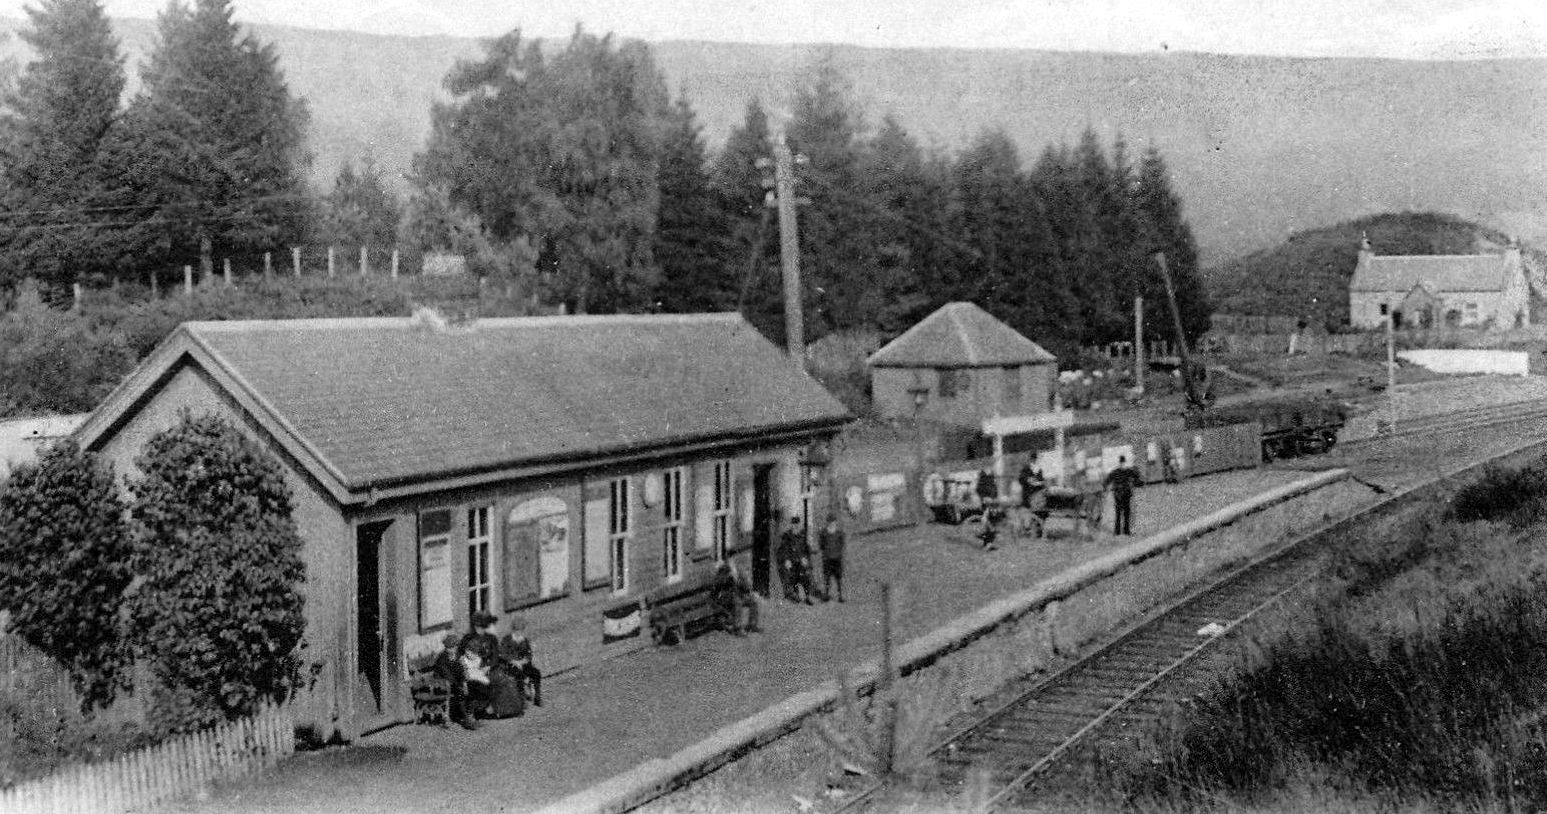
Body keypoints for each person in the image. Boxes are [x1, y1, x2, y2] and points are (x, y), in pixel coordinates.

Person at [431, 632, 478, 730]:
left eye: (454, 647)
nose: (451, 650)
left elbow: (461, 671)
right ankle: (466, 718)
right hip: (442, 684)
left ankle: (469, 715)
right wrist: (460, 685)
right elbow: (447, 675)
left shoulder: (458, 656)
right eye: (449, 648)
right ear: (446, 648)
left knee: (472, 687)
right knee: (460, 692)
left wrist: (464, 682)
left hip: (455, 683)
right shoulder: (442, 659)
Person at [498, 615, 543, 708]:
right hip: (510, 666)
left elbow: (529, 654)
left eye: (521, 630)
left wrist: (523, 661)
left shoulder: (524, 640)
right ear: (514, 630)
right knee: (518, 675)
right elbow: (502, 654)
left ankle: (537, 698)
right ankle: (521, 699)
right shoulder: (507, 640)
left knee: (536, 673)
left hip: (523, 664)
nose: (519, 632)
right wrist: (513, 661)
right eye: (517, 630)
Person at [1104, 455, 1144, 536]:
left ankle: (1117, 532)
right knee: (1126, 513)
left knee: (1118, 513)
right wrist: (1139, 482)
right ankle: (1126, 531)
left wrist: (1105, 488)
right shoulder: (1129, 470)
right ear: (1125, 461)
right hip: (1126, 494)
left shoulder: (1115, 471)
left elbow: (1106, 481)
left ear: (1119, 462)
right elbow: (1138, 480)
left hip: (1118, 494)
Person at [777, 516, 814, 604]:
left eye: (797, 524)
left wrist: (805, 559)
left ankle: (807, 596)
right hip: (791, 562)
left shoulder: (802, 536)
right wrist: (786, 560)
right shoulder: (786, 536)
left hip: (800, 562)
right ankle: (793, 595)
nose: (795, 526)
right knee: (789, 574)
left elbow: (806, 550)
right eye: (794, 524)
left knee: (806, 575)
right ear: (791, 525)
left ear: (799, 525)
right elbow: (784, 549)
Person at [818, 514, 847, 603]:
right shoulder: (823, 533)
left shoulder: (840, 533)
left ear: (836, 522)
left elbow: (842, 545)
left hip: (837, 559)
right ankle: (826, 595)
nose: (831, 524)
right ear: (827, 523)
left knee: (838, 578)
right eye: (830, 522)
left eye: (833, 522)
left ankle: (840, 596)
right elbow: (821, 545)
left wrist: (838, 553)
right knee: (826, 577)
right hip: (827, 559)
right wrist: (826, 553)